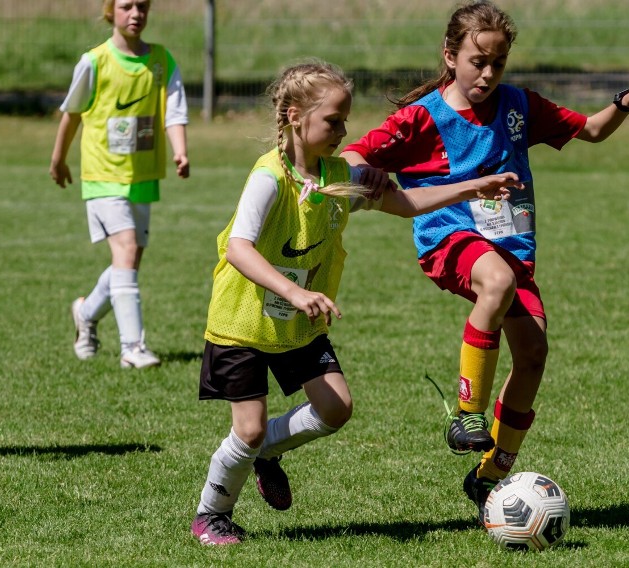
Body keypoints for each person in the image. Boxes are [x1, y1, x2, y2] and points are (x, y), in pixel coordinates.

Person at [341, 0, 629, 521]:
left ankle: (491, 473)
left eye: (498, 63)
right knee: (493, 281)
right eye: (478, 61)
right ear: (451, 56)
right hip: (450, 240)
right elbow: (354, 154)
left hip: (512, 249)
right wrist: (370, 175)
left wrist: (624, 102)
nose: (488, 73)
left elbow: (592, 130)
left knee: (534, 353)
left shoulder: (517, 106)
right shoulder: (422, 118)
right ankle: (467, 413)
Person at [189, 60, 521, 546]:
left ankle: (264, 453)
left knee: (335, 408)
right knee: (250, 426)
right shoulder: (268, 178)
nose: (344, 131)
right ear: (293, 116)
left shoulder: (340, 175)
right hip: (243, 322)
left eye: (345, 121)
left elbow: (405, 203)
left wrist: (472, 188)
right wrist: (295, 292)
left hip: (296, 323)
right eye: (333, 121)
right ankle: (211, 514)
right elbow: (238, 248)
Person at [49, 0, 189, 369]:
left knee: (128, 262)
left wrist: (180, 151)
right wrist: (59, 159)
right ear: (110, 11)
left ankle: (86, 313)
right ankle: (133, 348)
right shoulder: (94, 61)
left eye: (142, 6)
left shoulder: (161, 60)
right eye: (126, 6)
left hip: (142, 175)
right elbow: (72, 113)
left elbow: (174, 111)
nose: (136, 14)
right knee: (126, 250)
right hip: (102, 175)